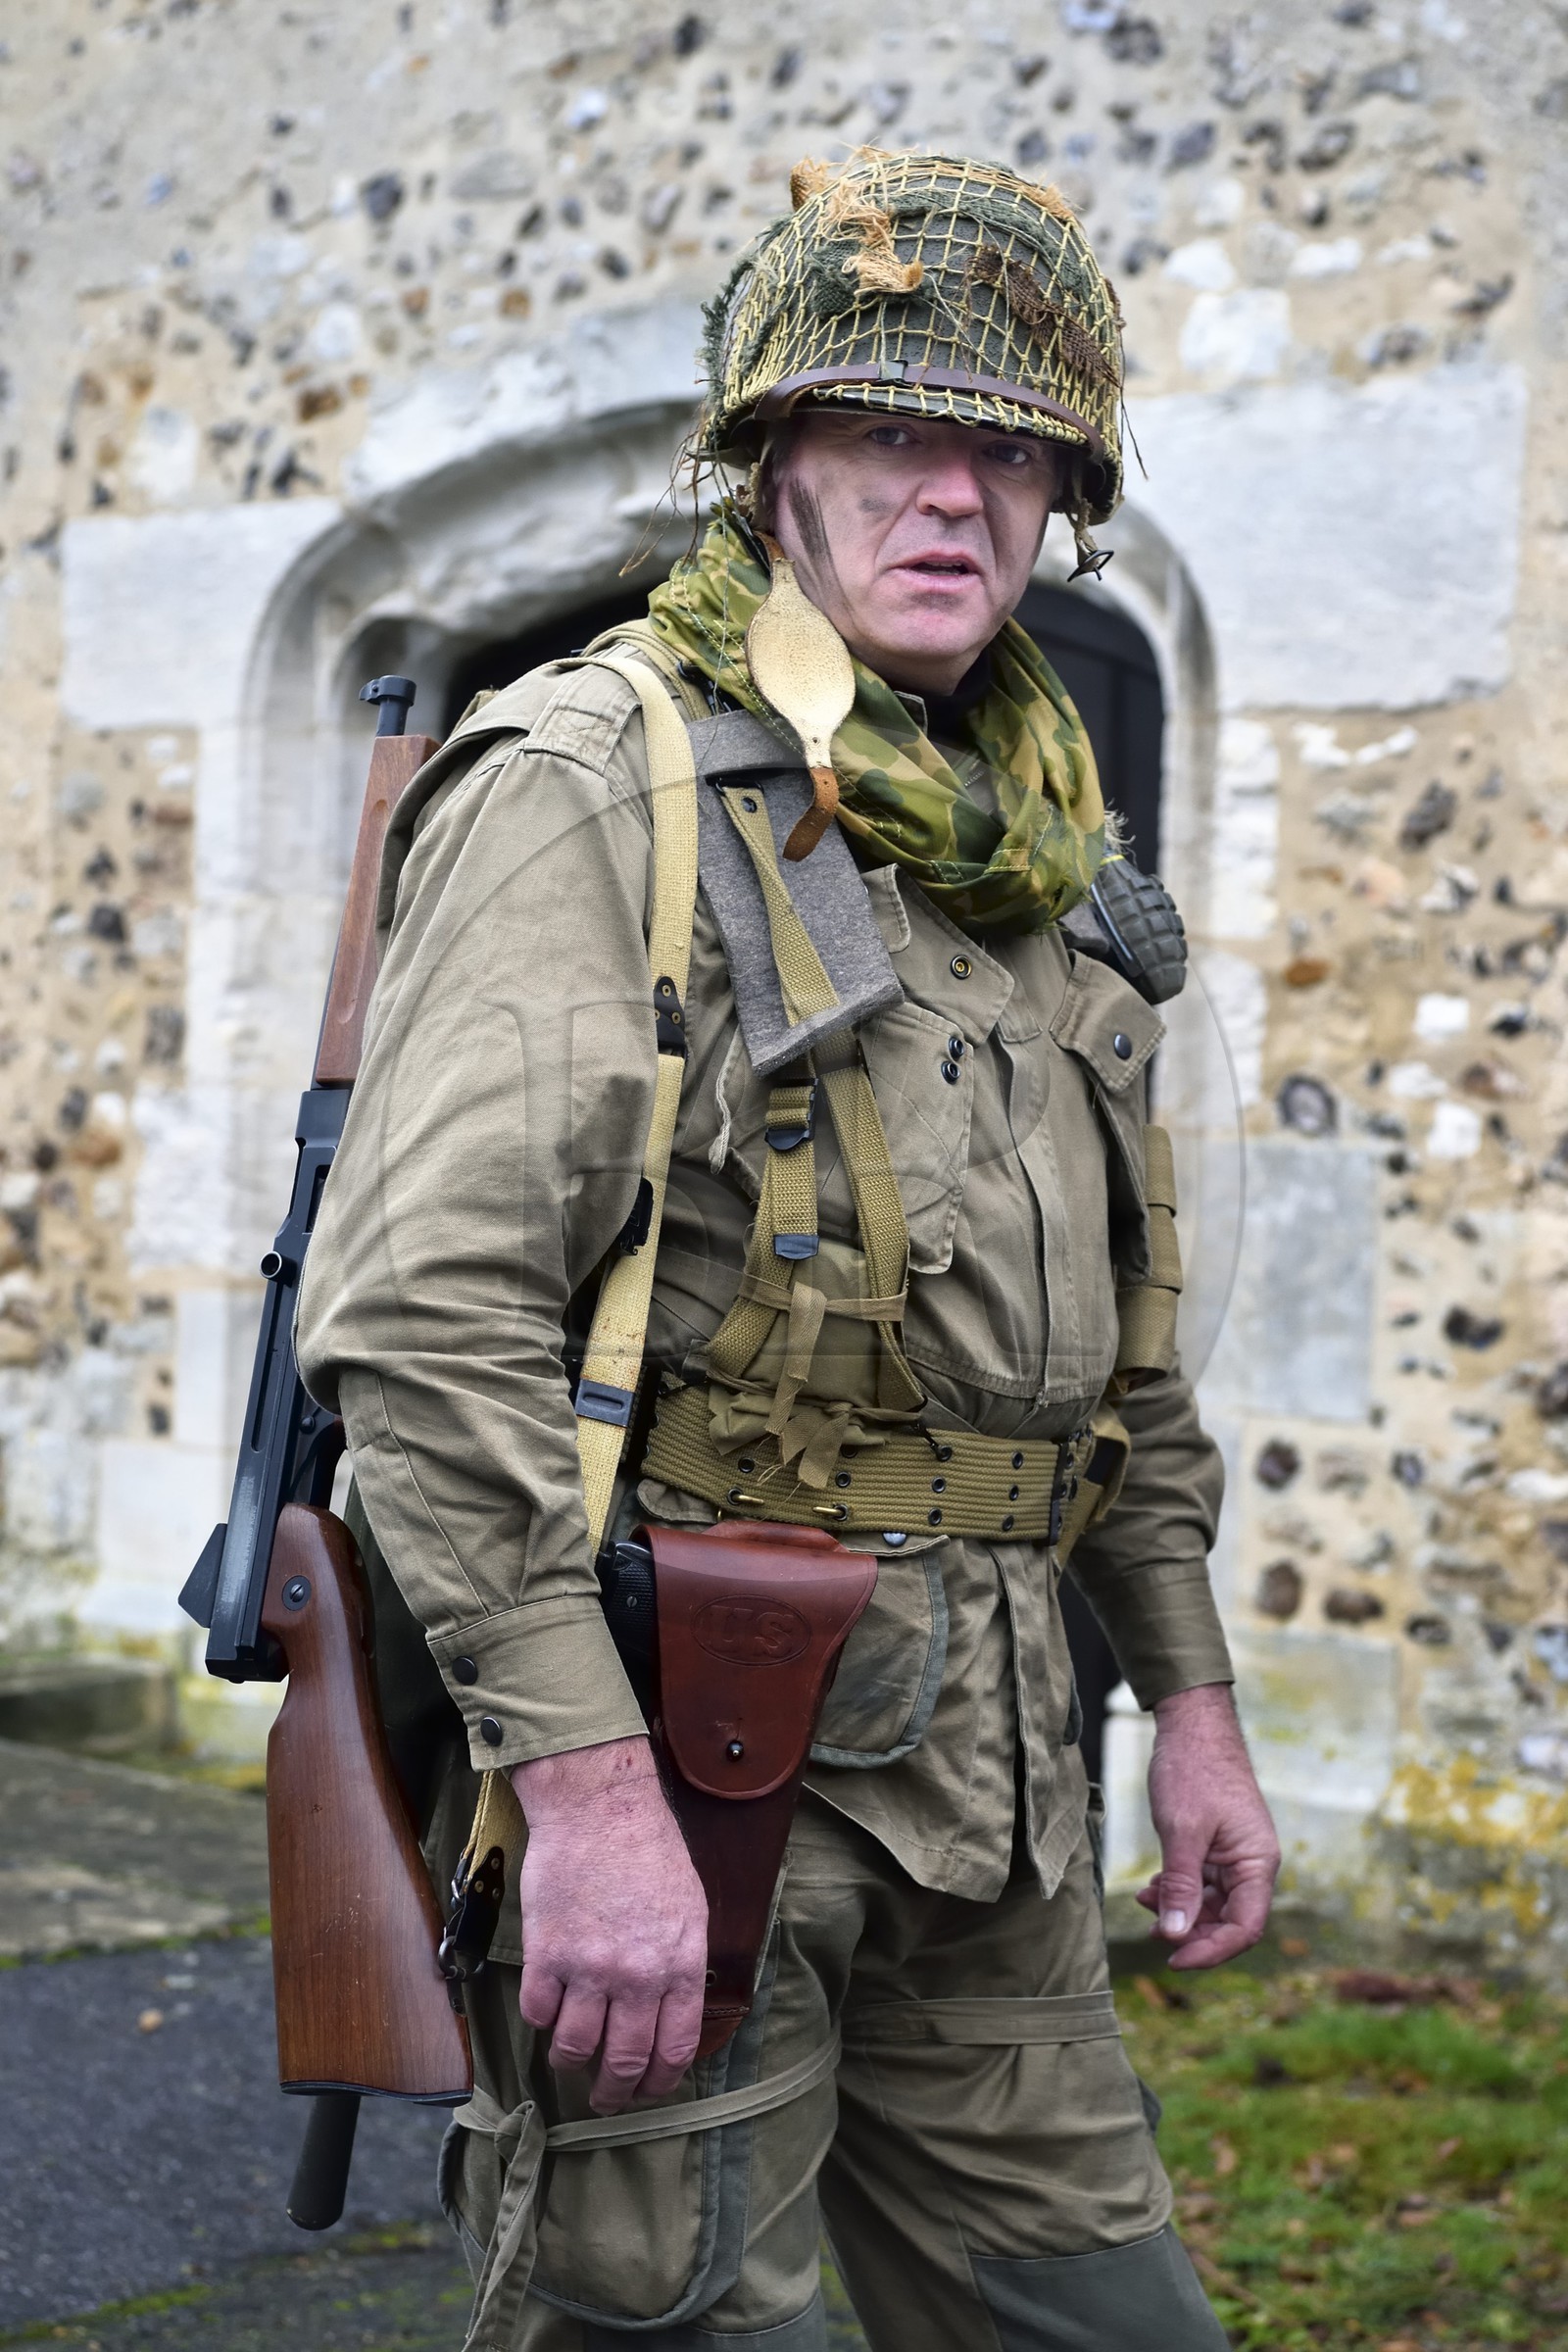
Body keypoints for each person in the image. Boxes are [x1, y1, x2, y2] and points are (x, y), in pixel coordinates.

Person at [297, 148, 1280, 2352]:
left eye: (1007, 453)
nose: (953, 495)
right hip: (690, 1746)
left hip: (999, 1782)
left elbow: (1113, 1365)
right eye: (887, 432)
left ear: (1063, 500)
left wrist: (1192, 1704)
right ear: (769, 467)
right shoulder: (596, 778)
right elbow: (426, 1322)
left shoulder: (1044, 859)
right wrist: (579, 1792)